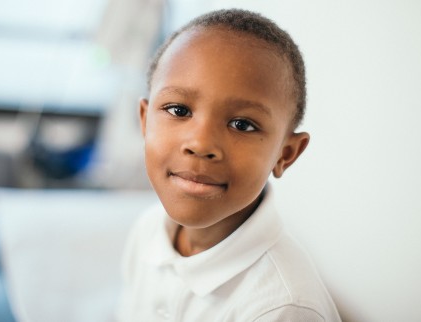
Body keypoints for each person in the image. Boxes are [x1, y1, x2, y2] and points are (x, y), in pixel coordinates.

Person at [117, 8, 341, 322]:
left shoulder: (282, 308)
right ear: (144, 122)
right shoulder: (148, 230)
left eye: (242, 124)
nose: (201, 144)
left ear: (285, 154)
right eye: (179, 110)